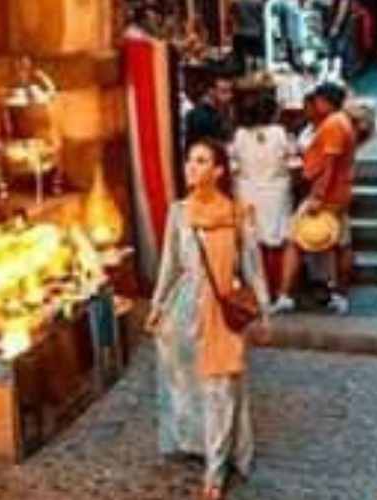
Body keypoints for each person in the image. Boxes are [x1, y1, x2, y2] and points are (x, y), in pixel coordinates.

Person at [147, 141, 269, 500]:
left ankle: (215, 473)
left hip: (222, 313)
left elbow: (253, 268)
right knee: (187, 385)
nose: (191, 166)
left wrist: (263, 311)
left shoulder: (238, 213)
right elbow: (170, 264)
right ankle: (195, 442)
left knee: (221, 391)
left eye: (201, 161)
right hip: (184, 311)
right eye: (189, 160)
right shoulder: (179, 212)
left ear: (218, 171)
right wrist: (157, 306)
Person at [275, 83, 356, 315]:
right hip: (337, 192)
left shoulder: (333, 124)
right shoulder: (341, 121)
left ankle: (286, 294)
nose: (314, 104)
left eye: (317, 100)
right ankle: (339, 295)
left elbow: (329, 165)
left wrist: (317, 196)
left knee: (296, 240)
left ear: (325, 101)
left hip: (327, 195)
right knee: (341, 244)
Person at [229, 93, 298, 294]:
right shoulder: (280, 133)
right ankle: (276, 288)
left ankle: (256, 289)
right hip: (276, 193)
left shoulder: (240, 134)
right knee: (277, 240)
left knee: (252, 241)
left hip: (248, 191)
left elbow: (233, 162)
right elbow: (292, 160)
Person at [184, 76, 236, 151]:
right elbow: (202, 144)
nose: (230, 96)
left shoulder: (224, 110)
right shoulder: (200, 115)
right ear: (211, 91)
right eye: (224, 91)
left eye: (231, 91)